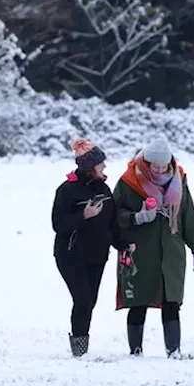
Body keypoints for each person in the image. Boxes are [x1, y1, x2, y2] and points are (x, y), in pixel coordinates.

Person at [112, 136, 194, 358]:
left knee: (171, 301)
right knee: (138, 302)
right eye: (156, 165)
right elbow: (113, 216)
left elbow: (187, 216)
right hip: (139, 252)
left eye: (165, 165)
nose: (161, 169)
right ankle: (135, 351)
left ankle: (174, 351)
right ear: (146, 162)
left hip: (171, 253)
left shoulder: (179, 180)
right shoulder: (128, 183)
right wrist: (137, 217)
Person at [51, 137, 134, 358]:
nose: (104, 167)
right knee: (83, 299)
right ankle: (79, 351)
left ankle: (81, 346)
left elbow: (112, 225)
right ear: (89, 168)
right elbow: (58, 225)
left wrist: (123, 244)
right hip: (70, 255)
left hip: (97, 256)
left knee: (90, 302)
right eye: (100, 164)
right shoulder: (67, 191)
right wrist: (83, 215)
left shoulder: (105, 189)